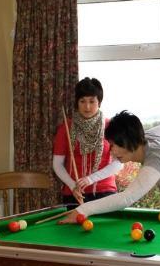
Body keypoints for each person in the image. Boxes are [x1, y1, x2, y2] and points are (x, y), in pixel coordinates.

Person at [52, 77, 122, 205]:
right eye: (82, 101)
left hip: (105, 191)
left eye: (92, 101)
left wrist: (90, 179)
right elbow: (57, 164)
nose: (87, 106)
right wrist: (72, 185)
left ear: (99, 102)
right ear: (77, 103)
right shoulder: (65, 128)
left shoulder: (110, 126)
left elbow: (119, 163)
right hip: (74, 192)